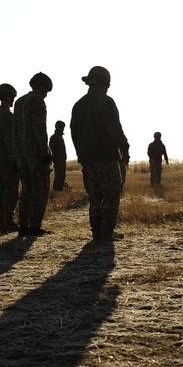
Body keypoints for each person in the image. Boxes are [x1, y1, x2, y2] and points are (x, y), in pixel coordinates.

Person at [70, 65, 130, 242]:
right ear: (105, 83)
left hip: (87, 160)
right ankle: (107, 232)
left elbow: (74, 133)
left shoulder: (78, 105)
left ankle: (96, 233)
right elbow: (114, 129)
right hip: (106, 157)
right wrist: (124, 148)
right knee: (111, 196)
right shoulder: (106, 102)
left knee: (95, 198)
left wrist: (81, 153)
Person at [14, 72, 54, 237]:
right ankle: (34, 226)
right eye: (47, 90)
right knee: (40, 190)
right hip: (36, 154)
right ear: (42, 87)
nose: (46, 94)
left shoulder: (19, 101)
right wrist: (45, 152)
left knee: (27, 189)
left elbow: (15, 130)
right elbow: (40, 129)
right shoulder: (37, 101)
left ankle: (23, 225)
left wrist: (17, 152)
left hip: (22, 153)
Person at [0, 83, 19, 233]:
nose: (13, 99)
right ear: (8, 96)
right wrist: (15, 160)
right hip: (8, 159)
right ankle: (8, 221)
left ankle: (2, 223)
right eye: (13, 96)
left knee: (1, 190)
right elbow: (10, 140)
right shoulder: (7, 115)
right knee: (11, 191)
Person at [50, 120, 68, 191]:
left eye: (63, 127)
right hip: (58, 161)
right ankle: (56, 190)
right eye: (61, 127)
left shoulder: (59, 137)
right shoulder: (54, 138)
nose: (62, 129)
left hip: (62, 160)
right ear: (57, 127)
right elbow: (51, 150)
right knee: (59, 176)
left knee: (62, 176)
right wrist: (53, 159)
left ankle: (59, 190)